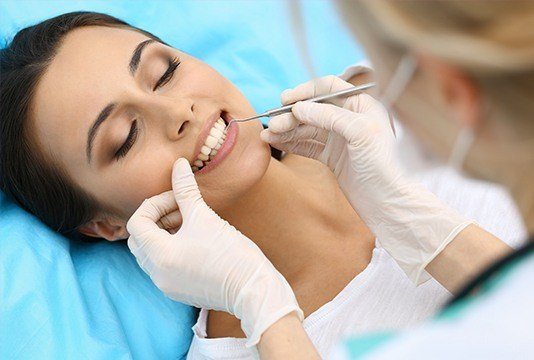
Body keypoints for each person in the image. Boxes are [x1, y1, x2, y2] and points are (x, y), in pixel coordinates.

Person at [1, 10, 514, 359]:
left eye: (164, 73)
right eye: (124, 136)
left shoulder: (417, 104)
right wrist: (268, 316)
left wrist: (419, 222)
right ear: (108, 225)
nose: (177, 113)